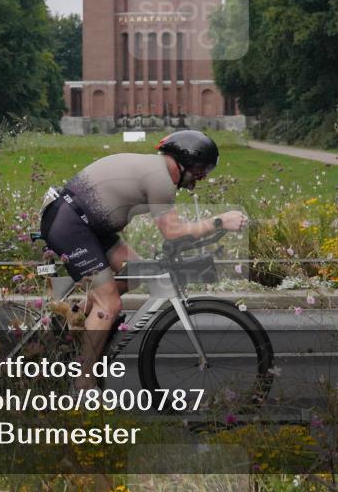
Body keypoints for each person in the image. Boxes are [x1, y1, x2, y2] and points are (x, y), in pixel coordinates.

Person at [38, 130, 247, 390]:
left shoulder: (158, 172)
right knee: (110, 304)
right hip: (71, 224)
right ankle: (83, 386)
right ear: (184, 162)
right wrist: (219, 221)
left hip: (87, 224)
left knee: (137, 272)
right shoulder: (160, 178)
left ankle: (76, 319)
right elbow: (172, 232)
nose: (201, 178)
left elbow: (173, 234)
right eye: (200, 170)